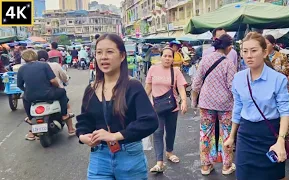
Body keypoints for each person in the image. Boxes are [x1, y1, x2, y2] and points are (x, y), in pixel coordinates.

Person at [76, 33, 158, 179]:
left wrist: (115, 136)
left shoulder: (133, 86)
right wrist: (83, 136)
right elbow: (84, 120)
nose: (103, 57)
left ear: (122, 56)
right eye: (99, 52)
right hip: (99, 156)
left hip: (130, 156)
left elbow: (149, 121)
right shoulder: (91, 89)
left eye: (109, 52)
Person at [224, 32, 289, 180]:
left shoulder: (278, 79)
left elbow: (285, 111)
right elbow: (238, 107)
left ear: (265, 52)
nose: (249, 55)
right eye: (245, 51)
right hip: (246, 134)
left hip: (270, 135)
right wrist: (231, 136)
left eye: (254, 51)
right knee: (243, 175)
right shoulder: (238, 78)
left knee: (273, 176)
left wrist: (280, 141)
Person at [192, 34, 237, 176]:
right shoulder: (229, 63)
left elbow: (196, 82)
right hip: (225, 105)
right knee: (227, 134)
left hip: (206, 103)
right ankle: (226, 166)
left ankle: (206, 166)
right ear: (229, 48)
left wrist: (194, 101)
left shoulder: (205, 60)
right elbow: (232, 86)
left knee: (205, 134)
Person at [145, 47, 188, 173]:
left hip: (172, 107)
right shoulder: (153, 69)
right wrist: (141, 103)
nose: (167, 58)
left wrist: (184, 101)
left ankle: (169, 152)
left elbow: (181, 87)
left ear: (173, 58)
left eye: (170, 56)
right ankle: (159, 162)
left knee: (170, 131)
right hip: (156, 107)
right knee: (157, 132)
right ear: (161, 56)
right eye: (165, 56)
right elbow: (147, 87)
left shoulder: (176, 71)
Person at [17, 49, 74, 140]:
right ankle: (64, 115)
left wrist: (27, 90)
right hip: (48, 94)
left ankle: (30, 117)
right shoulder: (44, 65)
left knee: (25, 97)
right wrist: (57, 87)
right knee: (62, 92)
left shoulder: (21, 69)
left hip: (31, 97)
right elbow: (53, 80)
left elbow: (19, 85)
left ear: (24, 59)